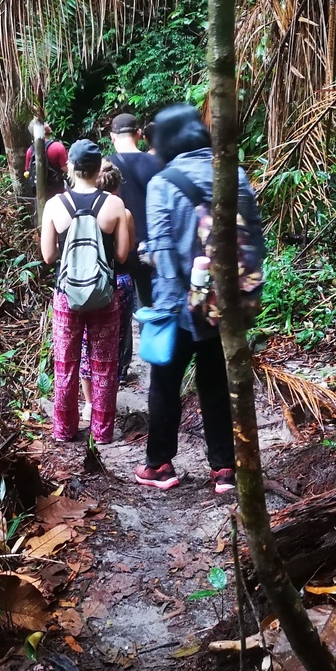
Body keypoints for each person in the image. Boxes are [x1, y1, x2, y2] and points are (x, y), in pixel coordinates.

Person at [133, 104, 264, 494]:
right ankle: (224, 469)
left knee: (164, 384)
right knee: (216, 382)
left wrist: (149, 260)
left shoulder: (163, 183)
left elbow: (163, 256)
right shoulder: (236, 176)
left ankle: (159, 465)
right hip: (228, 301)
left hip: (180, 305)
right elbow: (254, 240)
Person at [41, 139, 133, 444]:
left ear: (69, 167)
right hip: (105, 296)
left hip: (67, 295)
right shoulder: (114, 205)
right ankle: (102, 432)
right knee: (105, 365)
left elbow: (48, 256)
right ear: (98, 170)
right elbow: (121, 256)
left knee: (66, 364)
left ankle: (64, 430)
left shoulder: (55, 205)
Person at [78, 160, 135, 422]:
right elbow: (124, 255)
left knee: (84, 344)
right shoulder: (121, 212)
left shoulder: (77, 208)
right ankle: (105, 404)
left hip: (81, 284)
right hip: (115, 283)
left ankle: (89, 404)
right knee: (110, 344)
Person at [107, 113, 162, 307]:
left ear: (112, 137)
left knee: (119, 308)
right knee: (149, 304)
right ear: (139, 134)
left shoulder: (105, 166)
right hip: (151, 246)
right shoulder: (158, 163)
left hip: (119, 247)